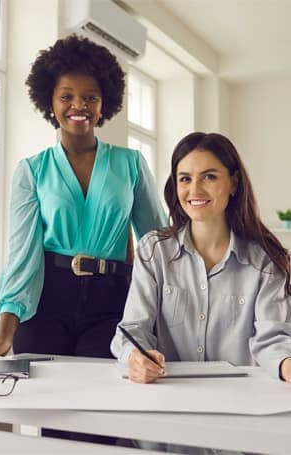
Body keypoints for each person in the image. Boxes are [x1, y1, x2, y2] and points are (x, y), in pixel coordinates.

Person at [0, 34, 166, 362]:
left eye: (90, 97)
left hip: (112, 305)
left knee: (100, 403)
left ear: (103, 103)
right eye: (67, 96)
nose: (79, 106)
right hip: (45, 302)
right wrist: (5, 333)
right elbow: (22, 254)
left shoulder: (131, 164)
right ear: (50, 102)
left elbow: (158, 244)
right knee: (44, 406)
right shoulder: (32, 171)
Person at [111, 131, 291, 453]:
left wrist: (287, 364)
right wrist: (135, 357)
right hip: (166, 423)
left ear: (233, 183)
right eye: (185, 178)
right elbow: (131, 330)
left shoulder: (265, 260)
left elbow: (272, 340)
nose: (194, 190)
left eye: (208, 176)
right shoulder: (155, 251)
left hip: (241, 422)